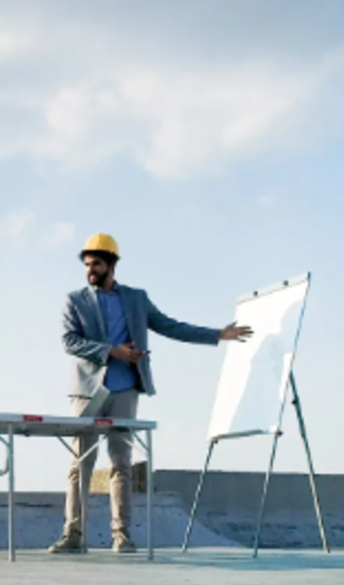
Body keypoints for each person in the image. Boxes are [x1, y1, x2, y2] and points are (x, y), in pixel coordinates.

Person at [48, 233, 252, 555]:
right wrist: (111, 351)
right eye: (87, 264)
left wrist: (217, 334)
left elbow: (170, 326)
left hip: (126, 390)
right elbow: (69, 342)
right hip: (87, 393)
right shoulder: (75, 300)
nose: (91, 269)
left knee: (122, 465)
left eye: (96, 264)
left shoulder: (136, 299)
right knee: (80, 464)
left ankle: (122, 535)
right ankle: (73, 535)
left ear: (111, 264)